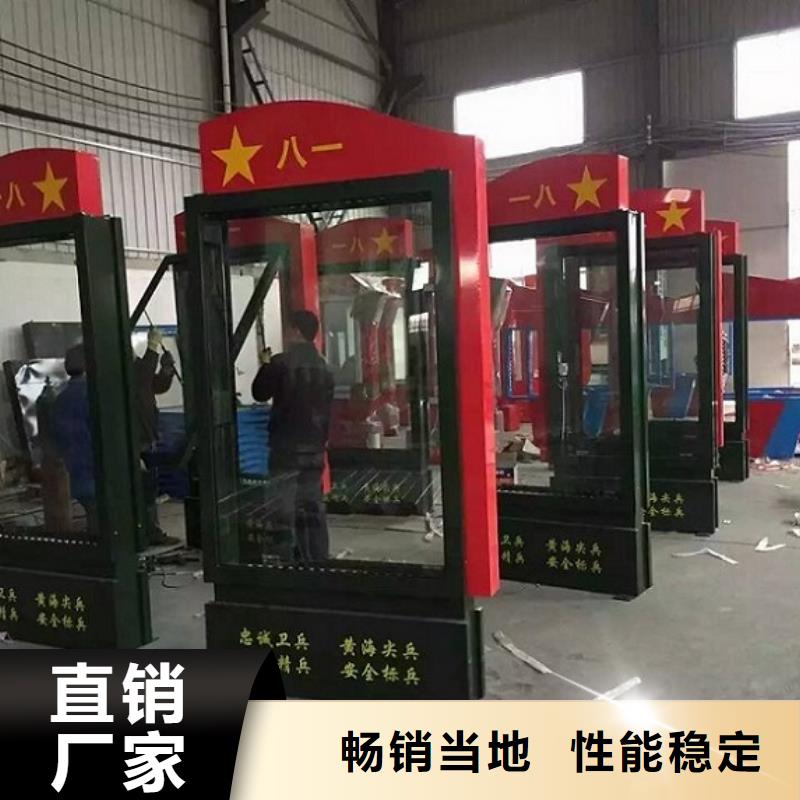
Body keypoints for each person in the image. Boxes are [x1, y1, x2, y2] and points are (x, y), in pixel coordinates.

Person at [252, 310, 334, 562]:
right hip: (315, 449)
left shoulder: (281, 363)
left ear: (296, 331)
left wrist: (265, 365)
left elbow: (259, 393)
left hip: (286, 450)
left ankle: (285, 561)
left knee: (282, 508)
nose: (286, 335)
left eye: (289, 329)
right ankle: (318, 559)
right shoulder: (325, 366)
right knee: (312, 506)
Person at [133, 327, 177, 546]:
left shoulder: (139, 370)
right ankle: (149, 533)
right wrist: (152, 347)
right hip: (136, 440)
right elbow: (143, 378)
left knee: (149, 489)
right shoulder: (127, 373)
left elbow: (156, 385)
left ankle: (150, 531)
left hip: (146, 437)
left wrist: (166, 370)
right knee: (144, 491)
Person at [50, 344, 96, 533]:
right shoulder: (94, 397)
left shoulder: (60, 399)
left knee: (94, 516)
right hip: (94, 472)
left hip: (73, 474)